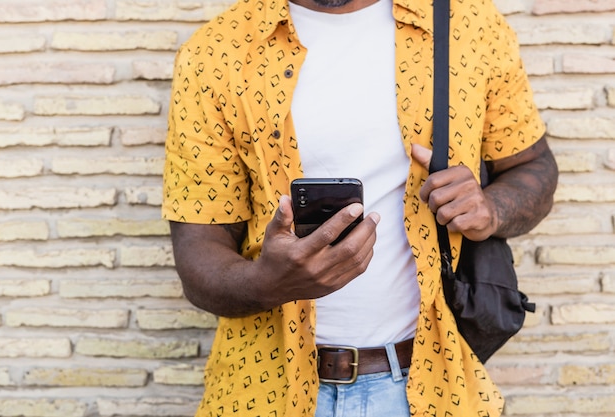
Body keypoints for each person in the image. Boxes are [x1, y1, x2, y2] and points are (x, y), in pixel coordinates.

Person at [162, 0, 558, 415]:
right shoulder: (215, 53)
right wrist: (271, 281)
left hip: (430, 388)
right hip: (265, 389)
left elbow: (533, 165)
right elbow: (197, 255)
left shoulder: (467, 24)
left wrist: (489, 208)